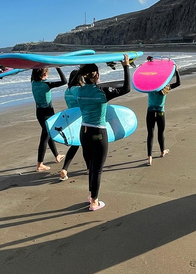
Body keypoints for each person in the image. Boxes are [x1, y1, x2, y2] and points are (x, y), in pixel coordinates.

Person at [74, 54, 131, 211]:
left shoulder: (78, 92)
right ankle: (94, 201)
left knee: (91, 166)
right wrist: (126, 66)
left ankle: (91, 194)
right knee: (97, 169)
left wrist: (78, 66)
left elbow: (72, 82)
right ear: (97, 75)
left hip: (84, 133)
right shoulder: (103, 91)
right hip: (99, 133)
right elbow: (126, 88)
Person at [31, 67, 67, 172]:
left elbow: (34, 74)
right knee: (45, 136)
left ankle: (56, 155)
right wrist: (58, 67)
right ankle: (39, 164)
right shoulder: (47, 84)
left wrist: (34, 65)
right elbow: (64, 81)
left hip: (39, 112)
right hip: (47, 112)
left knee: (48, 133)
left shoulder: (33, 82)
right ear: (45, 74)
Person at [146, 67, 180, 166]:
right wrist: (176, 71)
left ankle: (149, 157)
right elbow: (178, 83)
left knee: (150, 134)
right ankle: (162, 152)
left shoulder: (149, 87)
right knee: (160, 133)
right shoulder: (165, 88)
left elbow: (142, 83)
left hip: (150, 112)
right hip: (160, 113)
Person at [58, 70, 82, 181]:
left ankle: (65, 168)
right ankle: (89, 168)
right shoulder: (78, 90)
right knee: (85, 144)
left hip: (70, 119)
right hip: (81, 119)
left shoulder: (67, 91)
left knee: (76, 144)